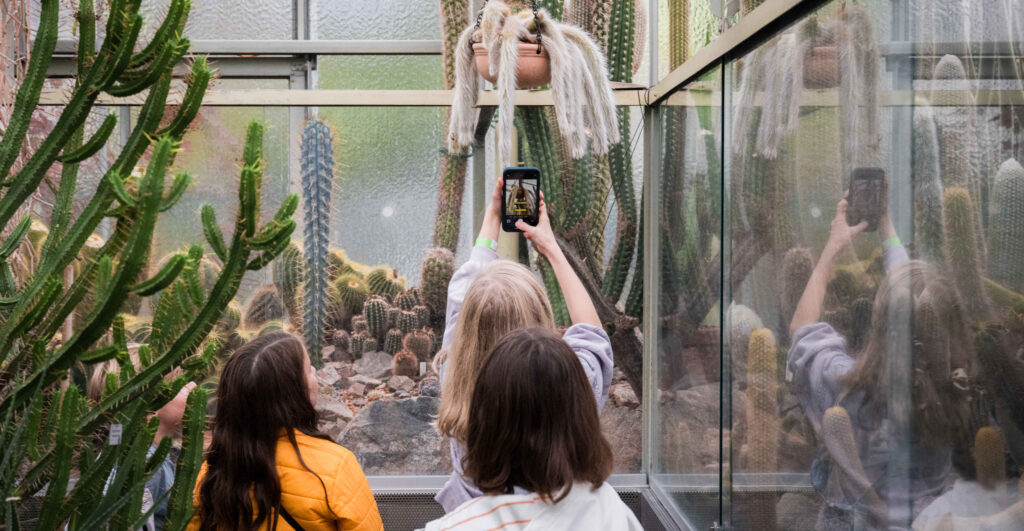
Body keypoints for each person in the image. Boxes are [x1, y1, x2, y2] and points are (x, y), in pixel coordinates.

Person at [788, 193, 975, 528]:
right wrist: (886, 226)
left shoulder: (846, 382)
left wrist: (831, 250)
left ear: (878, 322)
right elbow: (922, 312)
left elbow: (801, 330)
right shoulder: (955, 389)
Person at [434, 179, 614, 512]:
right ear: (540, 316)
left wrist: (493, 217)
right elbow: (592, 336)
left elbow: (461, 300)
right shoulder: (573, 384)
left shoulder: (454, 375)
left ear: (467, 331)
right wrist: (551, 248)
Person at [422, 328, 642, 531]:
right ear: (584, 420)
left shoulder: (457, 525)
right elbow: (594, 337)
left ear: (483, 426)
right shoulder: (613, 513)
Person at [188, 332, 382, 531]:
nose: (315, 371)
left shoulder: (211, 472)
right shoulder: (336, 467)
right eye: (308, 369)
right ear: (293, 392)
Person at [87, 350, 193, 531]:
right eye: (180, 383)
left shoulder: (145, 454)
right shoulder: (142, 463)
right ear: (149, 405)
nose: (192, 385)